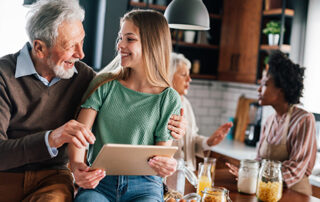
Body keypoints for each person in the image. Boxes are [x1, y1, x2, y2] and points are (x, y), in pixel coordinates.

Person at [0, 1, 185, 201]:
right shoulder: (4, 75)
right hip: (6, 174)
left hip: (53, 178)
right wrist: (53, 139)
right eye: (71, 46)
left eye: (82, 42)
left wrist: (177, 132)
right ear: (40, 48)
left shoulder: (83, 76)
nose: (81, 54)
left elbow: (157, 144)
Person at [68, 9, 181, 201]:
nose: (120, 45)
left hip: (145, 185)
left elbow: (161, 156)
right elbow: (80, 134)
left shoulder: (168, 98)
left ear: (152, 43)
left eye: (130, 39)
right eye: (120, 38)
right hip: (100, 182)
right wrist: (77, 165)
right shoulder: (104, 84)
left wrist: (166, 165)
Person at [227, 51, 317, 195]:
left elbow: (295, 169)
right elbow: (260, 160)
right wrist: (247, 171)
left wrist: (255, 176)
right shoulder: (269, 122)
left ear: (281, 89)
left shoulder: (304, 120)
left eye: (264, 84)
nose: (259, 89)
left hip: (294, 196)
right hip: (267, 194)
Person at [168, 52, 233, 172]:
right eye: (183, 75)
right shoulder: (162, 105)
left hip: (187, 173)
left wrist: (209, 141)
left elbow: (191, 139)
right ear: (169, 76)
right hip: (168, 175)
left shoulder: (185, 103)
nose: (189, 79)